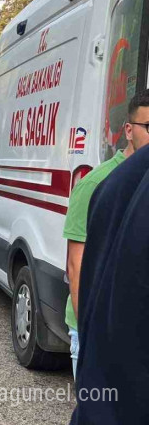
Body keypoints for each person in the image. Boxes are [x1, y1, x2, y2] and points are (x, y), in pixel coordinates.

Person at [70, 92, 149, 424]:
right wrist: (88, 333)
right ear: (128, 129)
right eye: (148, 125)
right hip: (92, 324)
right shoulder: (98, 182)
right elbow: (77, 262)